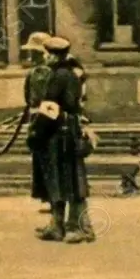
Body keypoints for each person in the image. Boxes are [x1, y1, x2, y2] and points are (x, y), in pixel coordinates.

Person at [28, 36, 95, 244]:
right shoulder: (70, 74)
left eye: (47, 54)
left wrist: (36, 134)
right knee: (60, 179)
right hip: (66, 131)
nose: (45, 58)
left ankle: (77, 227)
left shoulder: (58, 76)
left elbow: (50, 108)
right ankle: (57, 226)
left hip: (60, 134)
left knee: (69, 181)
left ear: (54, 56)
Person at [22, 32, 54, 212]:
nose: (31, 56)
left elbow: (27, 97)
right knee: (43, 160)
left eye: (34, 53)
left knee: (44, 160)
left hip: (40, 120)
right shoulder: (50, 71)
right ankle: (49, 198)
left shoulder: (36, 73)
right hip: (44, 118)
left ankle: (50, 198)